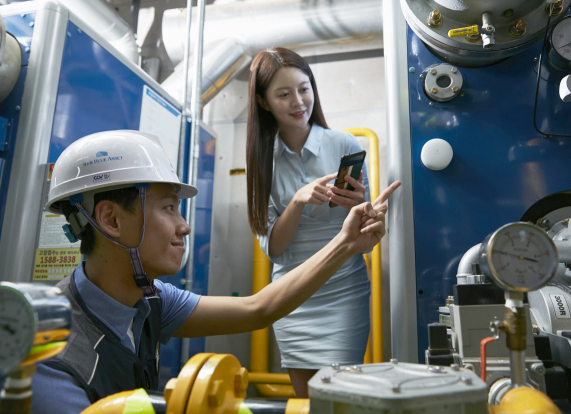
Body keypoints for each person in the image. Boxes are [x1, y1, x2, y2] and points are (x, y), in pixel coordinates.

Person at [29, 130, 398, 414]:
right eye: (170, 208)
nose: (184, 227)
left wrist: (347, 244)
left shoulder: (150, 299)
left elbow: (259, 309)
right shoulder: (50, 359)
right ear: (111, 219)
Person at [245, 47, 386, 397]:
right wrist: (297, 199)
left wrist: (367, 211)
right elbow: (275, 250)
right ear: (264, 102)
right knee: (306, 400)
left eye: (304, 88)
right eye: (283, 94)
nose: (298, 101)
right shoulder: (261, 161)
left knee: (342, 395)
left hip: (344, 289)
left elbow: (363, 234)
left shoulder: (344, 144)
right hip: (292, 295)